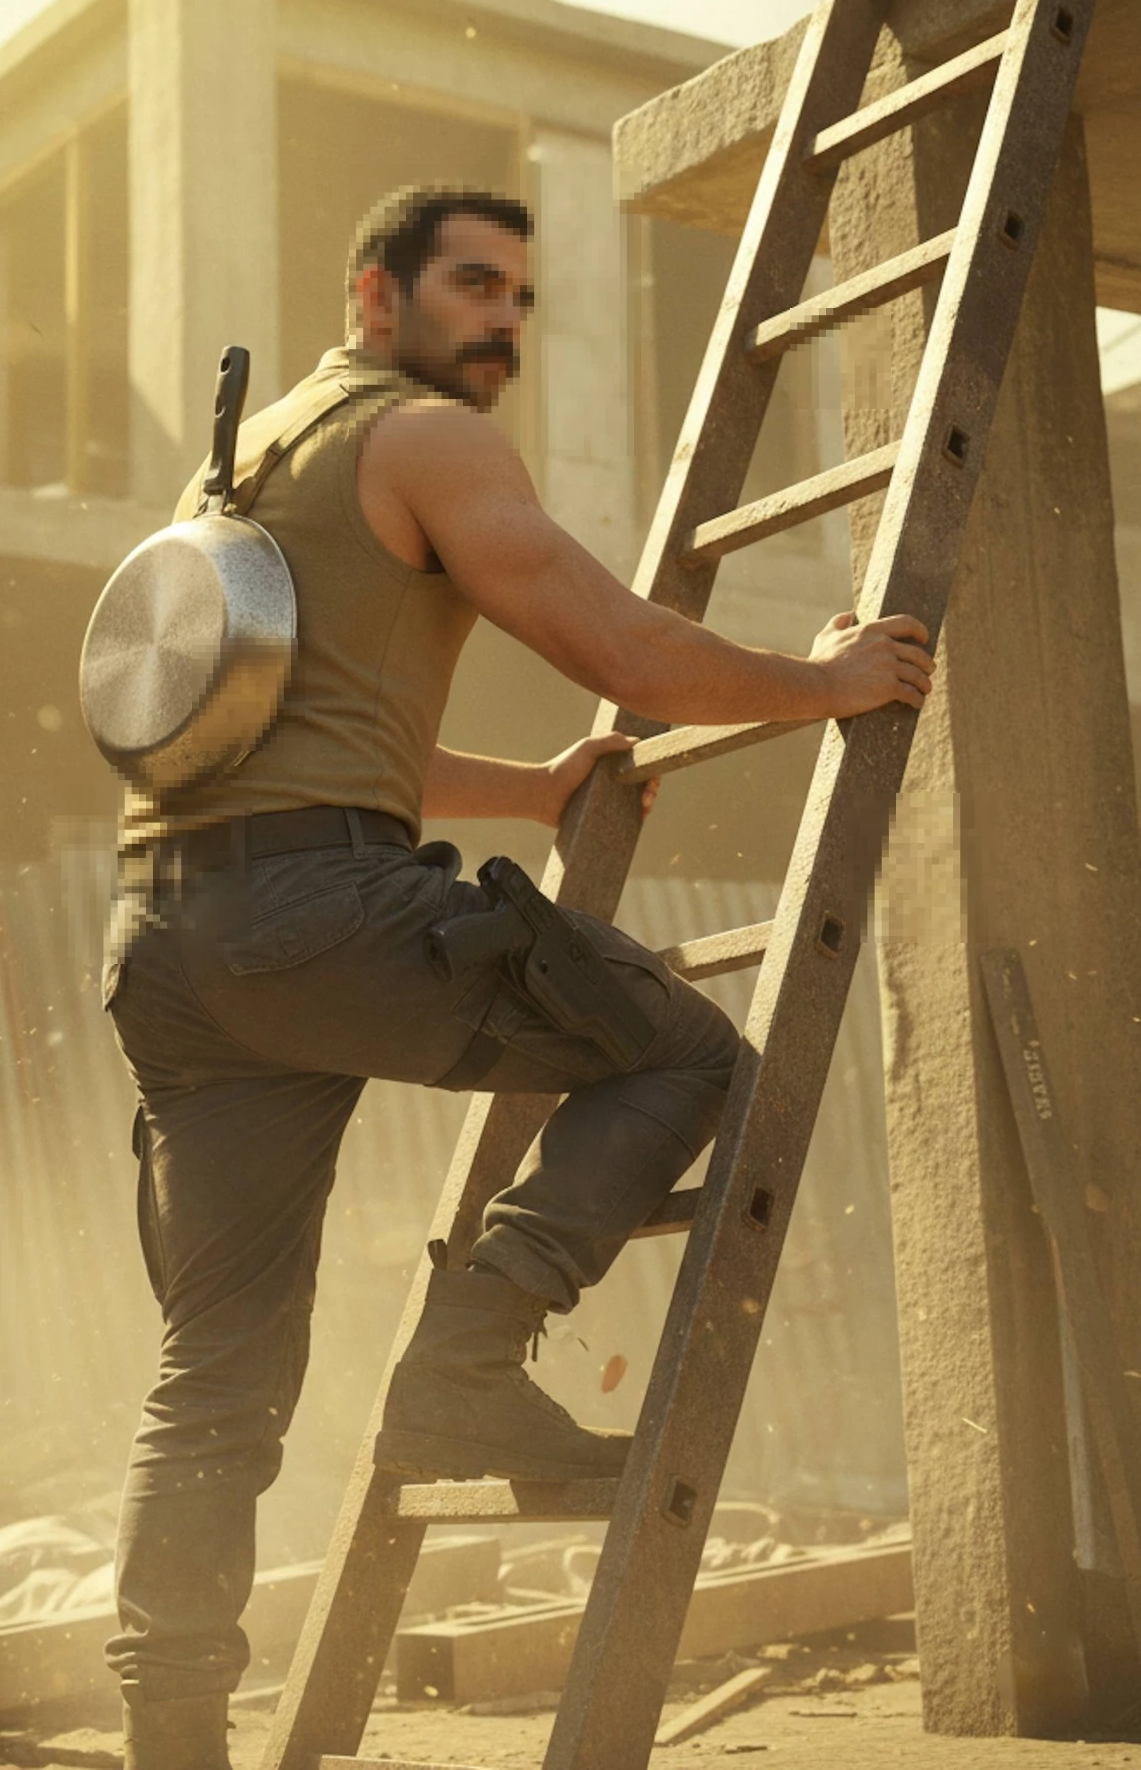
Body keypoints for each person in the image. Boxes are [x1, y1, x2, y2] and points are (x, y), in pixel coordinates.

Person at [100, 184, 933, 1769]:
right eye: (471, 286)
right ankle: (466, 1362)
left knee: (212, 1374)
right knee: (683, 1051)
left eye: (520, 300)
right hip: (309, 918)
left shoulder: (244, 457)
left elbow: (284, 749)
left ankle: (171, 1744)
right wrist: (827, 683)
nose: (500, 322)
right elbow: (621, 650)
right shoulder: (427, 440)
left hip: (169, 941)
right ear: (375, 293)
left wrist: (535, 793)